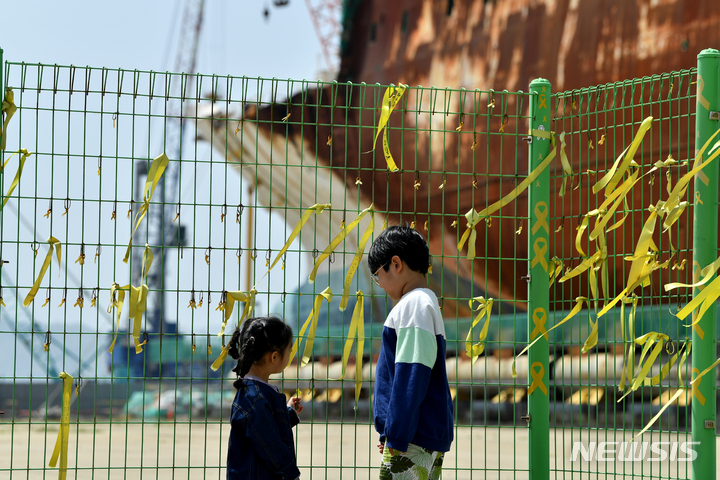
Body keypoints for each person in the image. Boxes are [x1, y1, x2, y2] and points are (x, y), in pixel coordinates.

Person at [368, 225, 454, 480]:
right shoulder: (426, 303)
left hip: (411, 436)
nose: (379, 284)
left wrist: (396, 433)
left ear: (395, 264)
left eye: (377, 275)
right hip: (420, 434)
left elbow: (410, 375)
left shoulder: (413, 305)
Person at [226, 316, 304, 480]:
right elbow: (271, 445)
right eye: (290, 349)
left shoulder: (254, 392)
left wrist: (288, 413)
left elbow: (266, 428)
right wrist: (292, 474)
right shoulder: (255, 398)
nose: (291, 353)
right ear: (274, 357)